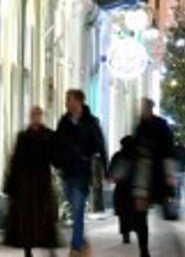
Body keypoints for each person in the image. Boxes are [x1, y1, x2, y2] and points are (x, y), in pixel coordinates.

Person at [54, 89, 107, 256]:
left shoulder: (91, 122)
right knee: (73, 204)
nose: (66, 103)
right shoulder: (63, 121)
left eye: (69, 100)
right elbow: (57, 143)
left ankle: (76, 247)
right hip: (66, 171)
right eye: (66, 100)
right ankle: (82, 242)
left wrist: (106, 169)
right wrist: (57, 161)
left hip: (82, 171)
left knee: (77, 209)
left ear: (79, 102)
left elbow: (100, 145)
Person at [4, 106, 59, 256]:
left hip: (42, 181)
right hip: (26, 182)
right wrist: (11, 184)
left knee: (45, 214)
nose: (35, 117)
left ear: (41, 117)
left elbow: (55, 156)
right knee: (26, 216)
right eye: (33, 115)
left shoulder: (48, 135)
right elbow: (16, 160)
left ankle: (48, 245)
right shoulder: (23, 136)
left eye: (37, 115)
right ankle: (27, 249)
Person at [131, 98, 175, 251]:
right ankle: (144, 249)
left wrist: (169, 174)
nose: (143, 110)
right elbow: (133, 149)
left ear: (150, 108)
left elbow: (168, 149)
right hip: (142, 175)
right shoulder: (139, 127)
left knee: (162, 210)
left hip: (157, 174)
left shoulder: (160, 125)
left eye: (144, 107)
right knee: (140, 214)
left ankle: (168, 244)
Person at [110, 135, 149, 255]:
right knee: (141, 220)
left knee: (123, 214)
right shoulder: (141, 156)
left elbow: (113, 174)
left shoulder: (119, 156)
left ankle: (125, 233)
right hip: (139, 191)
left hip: (122, 191)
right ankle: (143, 249)